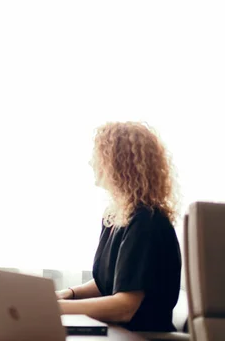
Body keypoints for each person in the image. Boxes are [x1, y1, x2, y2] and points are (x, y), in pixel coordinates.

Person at [56, 122, 182, 332]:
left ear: (119, 162)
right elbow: (108, 282)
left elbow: (125, 307)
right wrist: (69, 293)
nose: (90, 162)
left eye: (98, 156)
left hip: (142, 336)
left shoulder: (147, 222)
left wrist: (57, 308)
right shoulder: (115, 216)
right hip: (117, 331)